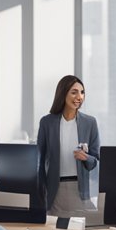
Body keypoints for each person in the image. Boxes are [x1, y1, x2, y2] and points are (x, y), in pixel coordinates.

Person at [36, 75, 100, 217]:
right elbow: (39, 161)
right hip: (54, 190)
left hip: (80, 189)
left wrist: (86, 158)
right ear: (63, 93)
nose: (79, 97)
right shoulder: (47, 122)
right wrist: (41, 191)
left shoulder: (90, 123)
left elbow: (95, 161)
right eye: (74, 92)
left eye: (82, 92)